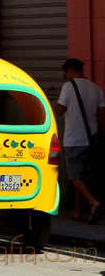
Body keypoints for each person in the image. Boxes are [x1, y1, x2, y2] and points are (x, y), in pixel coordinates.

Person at [56, 57, 105, 223]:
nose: (66, 78)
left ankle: (93, 203)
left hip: (74, 140)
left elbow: (59, 110)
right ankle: (78, 211)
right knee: (82, 176)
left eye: (65, 74)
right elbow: (102, 117)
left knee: (74, 176)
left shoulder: (68, 87)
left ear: (69, 70)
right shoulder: (97, 89)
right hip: (92, 141)